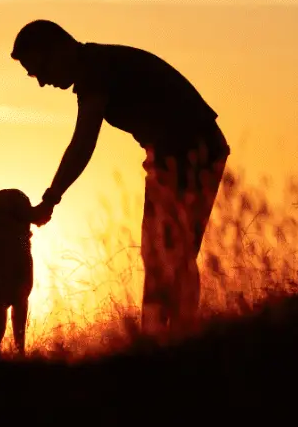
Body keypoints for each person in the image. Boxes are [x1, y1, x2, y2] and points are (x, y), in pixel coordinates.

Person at [12, 19, 230, 339]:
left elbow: (84, 141)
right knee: (159, 255)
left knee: (173, 254)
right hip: (172, 157)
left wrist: (51, 198)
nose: (42, 82)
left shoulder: (95, 69)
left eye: (39, 70)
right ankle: (160, 340)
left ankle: (175, 340)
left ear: (57, 49)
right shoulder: (96, 65)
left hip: (191, 152)